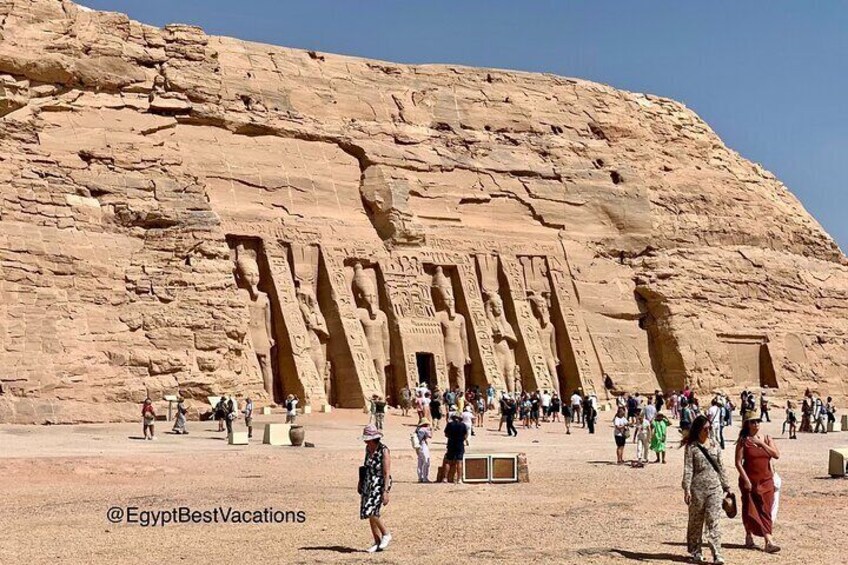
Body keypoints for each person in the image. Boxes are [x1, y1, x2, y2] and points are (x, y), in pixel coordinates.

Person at [682, 415, 731, 564]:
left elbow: (721, 466)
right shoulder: (691, 447)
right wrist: (687, 489)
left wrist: (727, 486)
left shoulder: (715, 445)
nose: (708, 431)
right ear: (698, 430)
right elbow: (688, 469)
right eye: (706, 428)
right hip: (697, 490)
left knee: (713, 520)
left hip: (715, 489)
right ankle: (696, 550)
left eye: (710, 428)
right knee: (696, 521)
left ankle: (717, 553)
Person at [735, 412, 781, 553]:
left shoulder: (767, 439)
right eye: (753, 421)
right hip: (750, 481)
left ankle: (769, 541)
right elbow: (738, 462)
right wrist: (746, 480)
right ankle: (749, 535)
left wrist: (761, 444)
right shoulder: (744, 440)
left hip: (766, 480)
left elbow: (776, 455)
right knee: (750, 509)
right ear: (747, 424)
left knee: (765, 510)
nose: (756, 424)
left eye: (758, 421)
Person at [359, 424, 392, 552]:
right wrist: (361, 481)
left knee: (371, 510)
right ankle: (377, 542)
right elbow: (365, 466)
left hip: (379, 482)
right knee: (368, 512)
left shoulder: (384, 450)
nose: (365, 441)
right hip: (368, 482)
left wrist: (385, 491)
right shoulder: (368, 449)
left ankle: (386, 533)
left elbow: (386, 472)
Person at [444, 413, 468, 482]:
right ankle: (459, 479)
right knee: (459, 461)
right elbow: (465, 436)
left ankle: (445, 478)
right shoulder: (463, 425)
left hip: (451, 444)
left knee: (448, 461)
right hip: (460, 444)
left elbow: (446, 434)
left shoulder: (450, 424)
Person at [414, 418, 432, 483]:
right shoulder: (424, 429)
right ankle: (425, 478)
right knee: (426, 461)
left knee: (420, 462)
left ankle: (420, 477)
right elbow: (430, 436)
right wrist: (430, 430)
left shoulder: (417, 429)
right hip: (423, 445)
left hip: (418, 446)